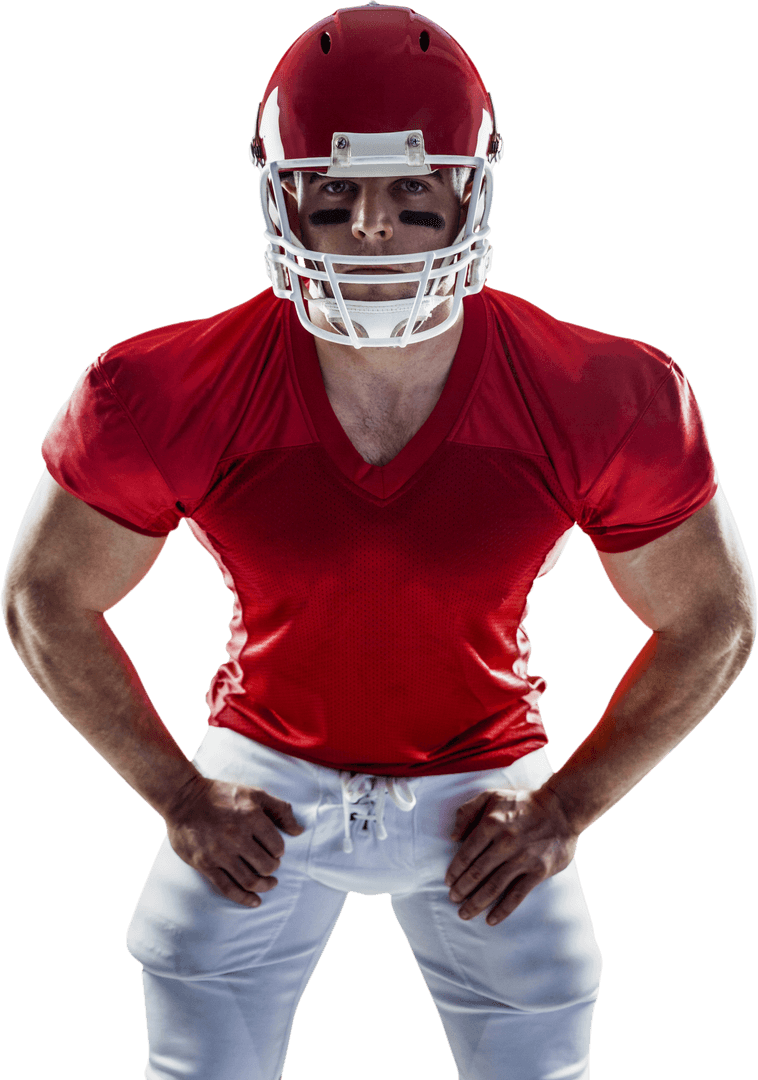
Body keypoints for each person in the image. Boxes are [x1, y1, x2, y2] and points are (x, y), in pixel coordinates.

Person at [2, 4, 755, 1079]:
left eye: (410, 194)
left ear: (467, 192)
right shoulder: (165, 388)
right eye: (335, 194)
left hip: (484, 785)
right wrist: (176, 794)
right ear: (282, 197)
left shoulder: (597, 392)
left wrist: (565, 809)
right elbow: (44, 595)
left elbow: (713, 616)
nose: (370, 230)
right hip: (261, 774)